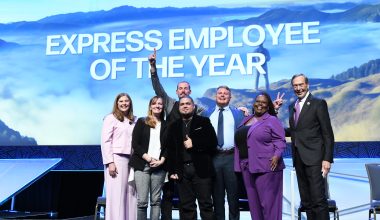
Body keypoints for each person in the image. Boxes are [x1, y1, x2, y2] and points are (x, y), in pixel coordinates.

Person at [149, 49, 193, 219]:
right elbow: (157, 87)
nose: (182, 91)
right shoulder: (169, 104)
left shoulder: (196, 108)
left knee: (185, 195)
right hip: (169, 154)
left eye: (185, 88)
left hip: (187, 157)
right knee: (167, 193)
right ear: (176, 92)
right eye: (180, 89)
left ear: (190, 91)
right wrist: (153, 67)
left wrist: (240, 111)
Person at [286, 73, 334, 220]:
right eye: (295, 85)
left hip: (315, 159)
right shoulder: (291, 107)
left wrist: (327, 159)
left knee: (318, 200)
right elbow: (295, 131)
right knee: (307, 202)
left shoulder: (318, 104)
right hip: (299, 159)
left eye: (301, 85)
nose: (298, 88)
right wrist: (273, 114)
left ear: (307, 85)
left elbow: (327, 133)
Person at [234, 92, 286, 220]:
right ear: (254, 103)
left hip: (267, 167)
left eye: (264, 102)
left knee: (269, 205)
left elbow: (280, 140)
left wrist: (277, 155)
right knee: (254, 205)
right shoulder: (246, 119)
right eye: (258, 101)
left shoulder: (272, 120)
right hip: (247, 166)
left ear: (268, 106)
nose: (260, 104)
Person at [166, 96, 217, 220]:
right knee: (186, 206)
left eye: (188, 103)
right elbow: (171, 151)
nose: (185, 106)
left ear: (193, 106)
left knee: (206, 205)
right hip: (182, 171)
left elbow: (212, 143)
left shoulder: (204, 121)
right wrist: (172, 171)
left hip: (201, 169)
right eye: (182, 104)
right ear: (178, 108)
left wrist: (195, 144)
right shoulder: (174, 126)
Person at [202, 86, 244, 220]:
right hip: (214, 158)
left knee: (233, 197)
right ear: (215, 96)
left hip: (232, 158)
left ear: (230, 97)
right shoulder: (206, 114)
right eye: (220, 93)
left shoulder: (238, 113)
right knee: (217, 197)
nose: (222, 95)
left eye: (226, 93)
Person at [129, 96, 168, 220]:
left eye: (160, 104)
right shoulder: (142, 121)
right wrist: (147, 158)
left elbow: (169, 146)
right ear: (150, 106)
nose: (157, 106)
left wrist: (162, 160)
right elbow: (135, 143)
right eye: (155, 103)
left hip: (159, 166)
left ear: (163, 107)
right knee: (142, 202)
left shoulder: (167, 124)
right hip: (142, 165)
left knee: (156, 201)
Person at [100, 93, 137, 220]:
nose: (124, 103)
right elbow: (105, 141)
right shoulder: (110, 118)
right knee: (117, 196)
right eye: (121, 101)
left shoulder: (134, 120)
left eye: (126, 101)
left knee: (131, 195)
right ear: (117, 103)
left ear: (130, 103)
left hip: (132, 161)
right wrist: (110, 162)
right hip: (117, 160)